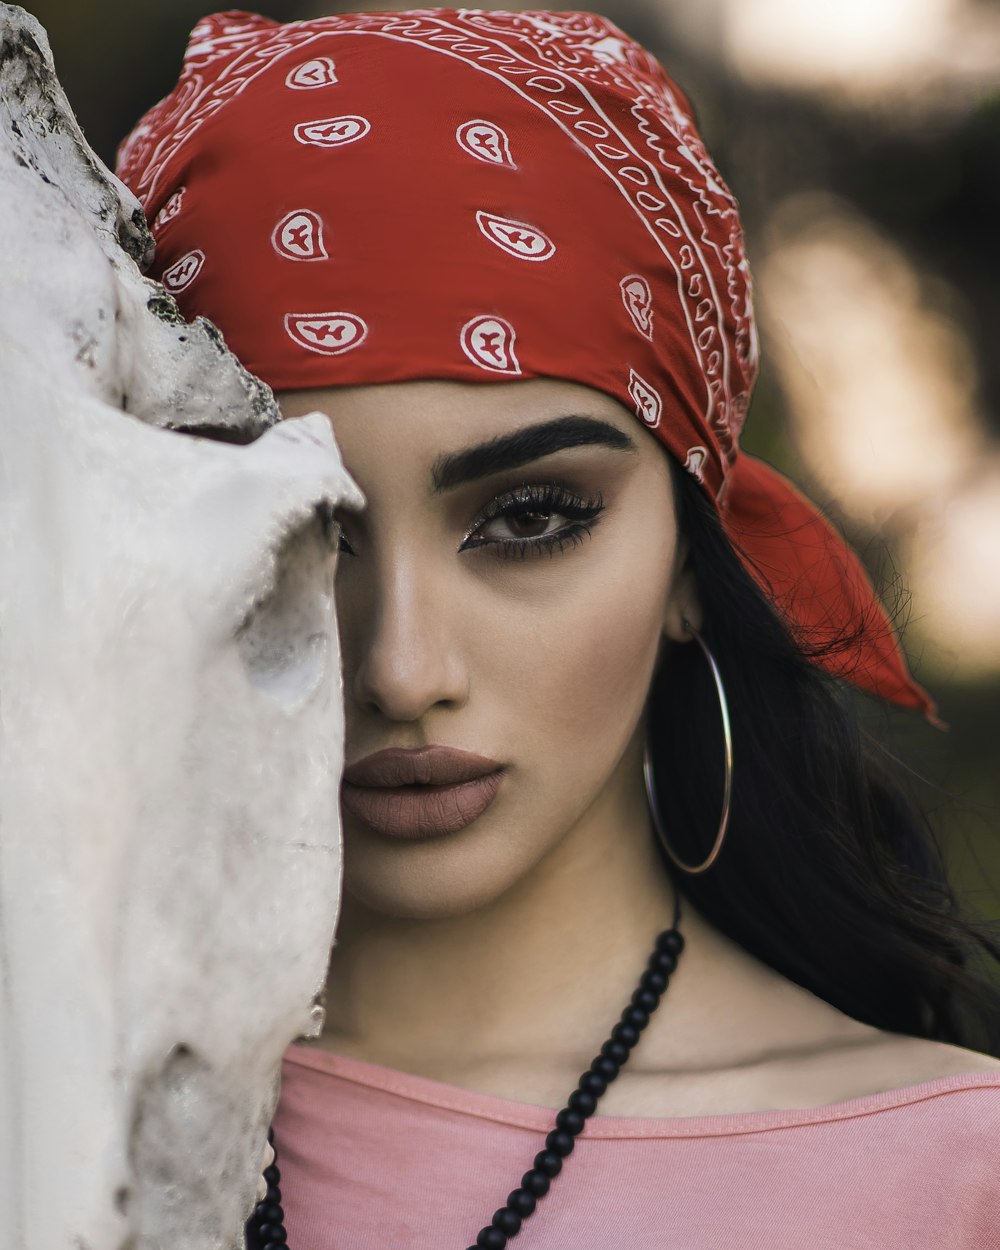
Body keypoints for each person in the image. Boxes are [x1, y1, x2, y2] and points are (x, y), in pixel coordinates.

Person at [116, 9, 1000, 1248]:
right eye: (305, 531)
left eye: (529, 517)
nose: (403, 668)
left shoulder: (953, 1177)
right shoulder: (59, 1121)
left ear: (692, 555)